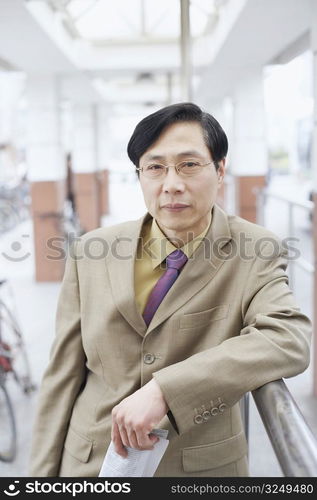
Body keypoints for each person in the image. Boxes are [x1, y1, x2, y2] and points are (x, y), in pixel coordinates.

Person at [29, 102, 311, 477]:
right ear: (140, 174)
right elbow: (62, 375)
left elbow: (287, 338)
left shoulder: (255, 250)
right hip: (90, 463)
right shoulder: (91, 252)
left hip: (199, 471)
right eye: (155, 167)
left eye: (189, 164)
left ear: (220, 169)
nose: (171, 183)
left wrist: (167, 389)